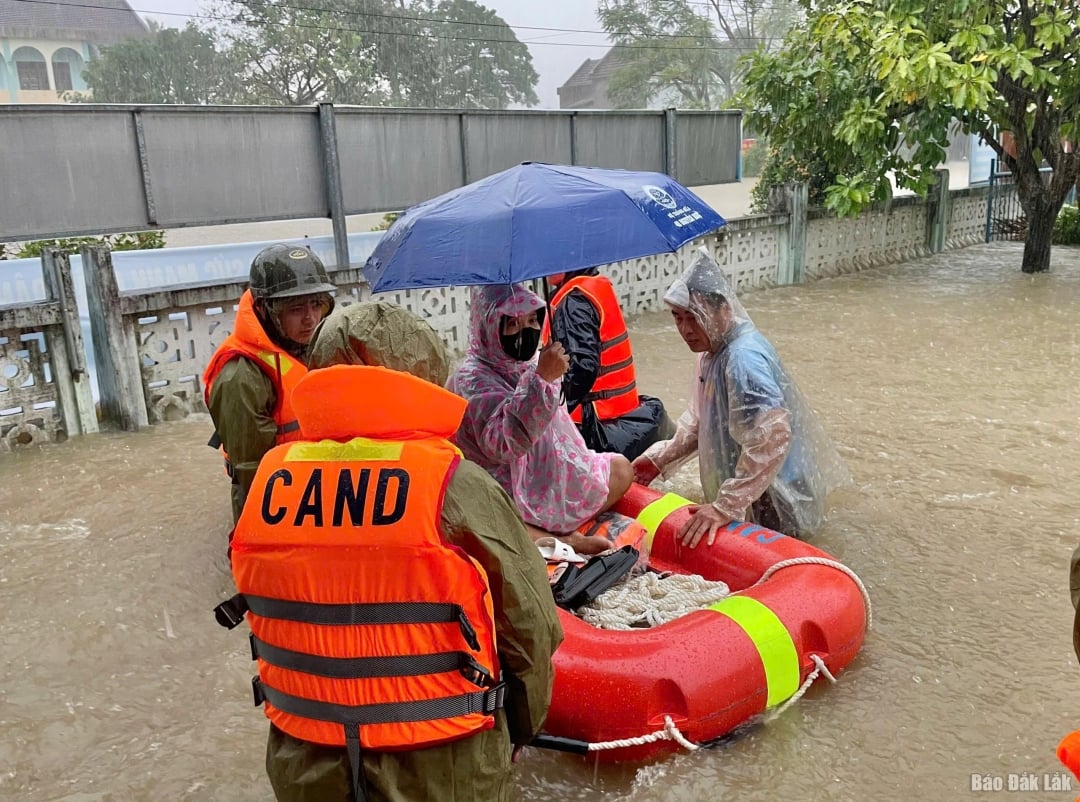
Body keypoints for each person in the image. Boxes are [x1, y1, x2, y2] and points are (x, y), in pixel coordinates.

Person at [217, 314, 563, 802]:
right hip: (441, 764)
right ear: (418, 377)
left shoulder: (266, 487)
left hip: (306, 765)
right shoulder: (453, 484)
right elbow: (531, 629)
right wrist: (517, 730)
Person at [632, 248, 848, 547]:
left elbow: (773, 436)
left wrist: (725, 506)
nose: (685, 330)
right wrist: (659, 460)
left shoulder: (742, 359)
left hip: (777, 499)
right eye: (677, 317)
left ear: (724, 310)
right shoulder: (712, 353)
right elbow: (701, 424)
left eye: (694, 317)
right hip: (751, 495)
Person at [447, 284, 633, 554]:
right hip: (501, 486)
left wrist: (551, 373)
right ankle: (568, 540)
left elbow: (562, 434)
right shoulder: (471, 379)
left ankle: (550, 530)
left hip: (545, 475)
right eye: (512, 324)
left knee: (621, 469)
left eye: (533, 320)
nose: (526, 331)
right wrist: (541, 381)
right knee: (490, 517)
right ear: (489, 327)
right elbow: (502, 446)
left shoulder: (535, 360)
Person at [202, 243, 335, 523]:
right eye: (296, 309)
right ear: (266, 311)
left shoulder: (315, 346)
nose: (310, 318)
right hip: (276, 500)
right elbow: (253, 472)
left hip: (318, 488)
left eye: (316, 304)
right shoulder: (241, 376)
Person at [545, 268, 673, 461]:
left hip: (597, 427)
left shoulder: (574, 302)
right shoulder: (595, 285)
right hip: (624, 415)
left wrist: (548, 410)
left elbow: (582, 369)